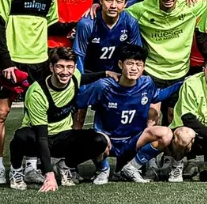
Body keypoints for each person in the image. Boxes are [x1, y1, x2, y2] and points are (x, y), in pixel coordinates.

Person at [0, 0, 61, 185]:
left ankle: (30, 166)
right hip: (11, 61)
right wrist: (5, 60)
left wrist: (77, 25)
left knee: (35, 115)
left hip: (39, 62)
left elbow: (52, 24)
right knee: (1, 113)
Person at [6, 47, 109, 191]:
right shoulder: (37, 92)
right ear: (51, 67)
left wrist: (105, 73)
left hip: (62, 136)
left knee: (99, 141)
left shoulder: (74, 77)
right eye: (60, 66)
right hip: (38, 139)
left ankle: (65, 166)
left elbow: (84, 78)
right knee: (21, 137)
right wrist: (49, 176)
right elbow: (42, 138)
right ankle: (16, 171)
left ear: (74, 68)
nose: (65, 72)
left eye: (69, 67)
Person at [77, 44, 180, 184]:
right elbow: (79, 101)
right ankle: (103, 170)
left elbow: (157, 96)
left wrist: (181, 84)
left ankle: (132, 167)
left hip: (134, 140)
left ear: (144, 67)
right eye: (130, 63)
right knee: (96, 140)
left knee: (166, 134)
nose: (134, 68)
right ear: (120, 64)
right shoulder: (103, 86)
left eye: (139, 64)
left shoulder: (147, 83)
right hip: (108, 140)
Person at [126, 0, 207, 125]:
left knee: (173, 118)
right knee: (151, 117)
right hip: (152, 72)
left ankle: (168, 149)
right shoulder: (142, 9)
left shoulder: (189, 6)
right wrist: (97, 5)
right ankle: (142, 149)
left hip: (178, 73)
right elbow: (117, 13)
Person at [73, 0, 142, 77]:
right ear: (100, 0)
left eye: (119, 1)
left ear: (125, 3)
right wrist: (81, 81)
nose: (113, 6)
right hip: (92, 75)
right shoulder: (87, 24)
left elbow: (136, 54)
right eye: (109, 0)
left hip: (119, 76)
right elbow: (79, 55)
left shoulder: (130, 23)